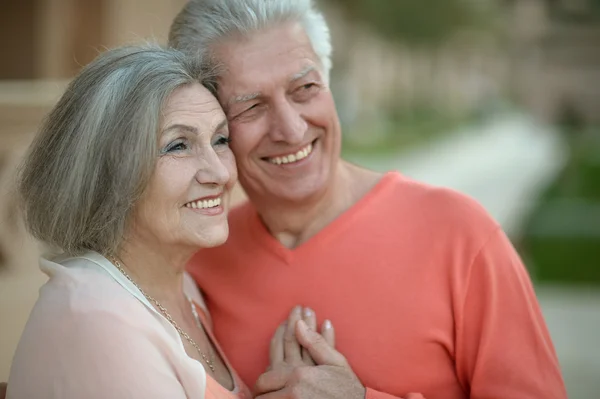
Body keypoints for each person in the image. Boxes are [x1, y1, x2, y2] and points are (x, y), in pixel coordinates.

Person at [169, 1, 569, 398]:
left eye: (305, 89)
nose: (291, 129)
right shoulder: (195, 262)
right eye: (252, 107)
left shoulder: (461, 235)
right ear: (212, 127)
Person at [5, 44, 333, 399]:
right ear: (109, 174)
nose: (220, 172)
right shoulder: (97, 321)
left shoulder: (182, 288)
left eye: (220, 140)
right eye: (178, 146)